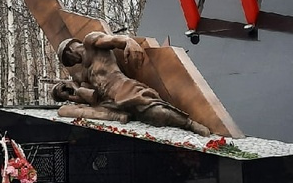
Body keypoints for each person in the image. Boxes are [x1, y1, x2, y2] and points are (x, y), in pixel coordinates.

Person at [56, 33, 211, 136]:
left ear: (69, 50)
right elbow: (91, 99)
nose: (70, 64)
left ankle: (189, 124)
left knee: (158, 115)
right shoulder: (84, 73)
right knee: (64, 110)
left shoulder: (91, 42)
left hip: (124, 90)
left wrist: (128, 41)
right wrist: (71, 91)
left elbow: (112, 40)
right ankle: (118, 115)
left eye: (67, 61)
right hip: (108, 103)